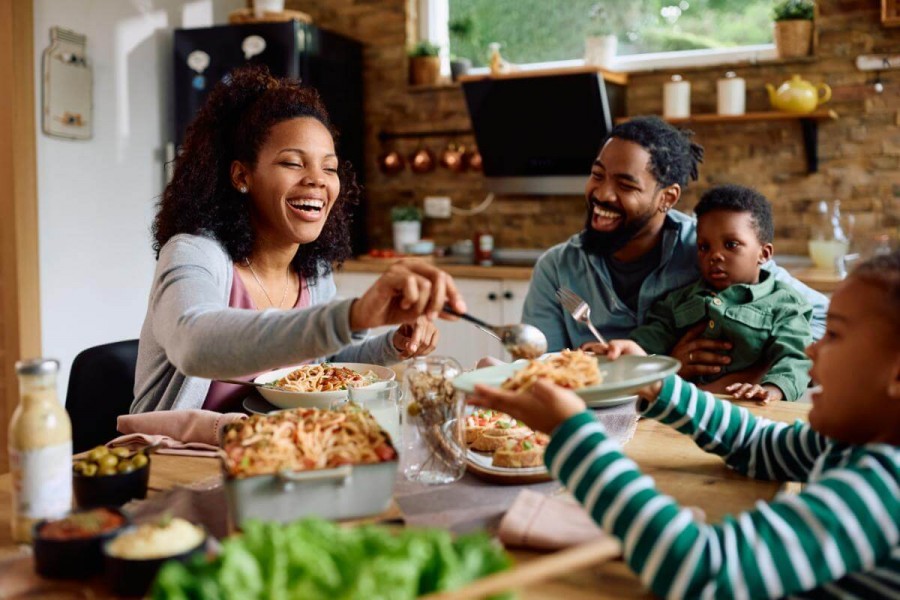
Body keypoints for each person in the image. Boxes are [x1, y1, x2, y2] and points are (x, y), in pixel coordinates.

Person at [472, 250, 900, 599]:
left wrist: (575, 438)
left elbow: (703, 568)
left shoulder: (883, 489)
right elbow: (757, 444)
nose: (811, 349)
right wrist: (655, 384)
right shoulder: (848, 443)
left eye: (836, 335)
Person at [132, 66, 465, 413]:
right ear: (242, 176)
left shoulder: (312, 270)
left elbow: (327, 362)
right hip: (177, 457)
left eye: (330, 168)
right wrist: (350, 317)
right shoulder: (194, 253)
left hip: (282, 451)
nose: (317, 180)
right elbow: (194, 345)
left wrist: (392, 344)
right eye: (293, 163)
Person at [522, 116, 828, 387]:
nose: (602, 194)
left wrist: (751, 374)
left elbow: (824, 322)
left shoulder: (711, 249)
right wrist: (666, 366)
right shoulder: (556, 268)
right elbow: (539, 374)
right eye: (597, 175)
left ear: (667, 198)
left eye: (626, 185)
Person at [598, 185, 812, 403]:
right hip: (684, 410)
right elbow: (649, 340)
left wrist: (772, 389)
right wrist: (619, 350)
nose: (715, 255)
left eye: (731, 244)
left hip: (748, 408)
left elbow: (798, 357)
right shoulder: (679, 300)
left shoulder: (785, 304)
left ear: (763, 254)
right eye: (704, 247)